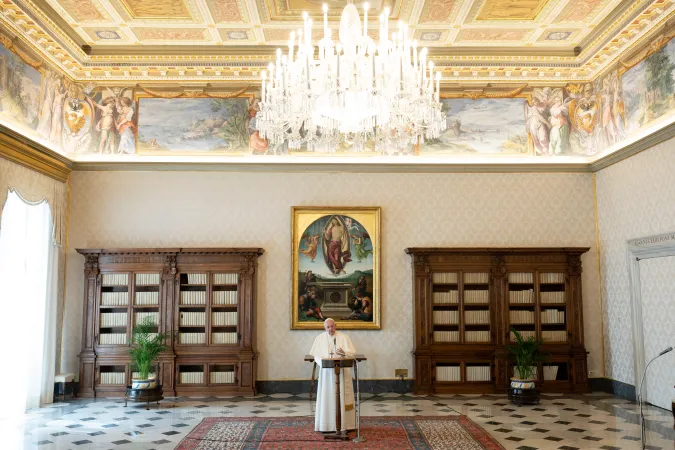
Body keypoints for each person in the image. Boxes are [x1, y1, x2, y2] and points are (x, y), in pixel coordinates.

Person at [309, 319, 356, 433]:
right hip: (327, 373)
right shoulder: (320, 338)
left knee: (344, 396)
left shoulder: (344, 337)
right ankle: (327, 425)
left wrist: (344, 353)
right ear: (324, 328)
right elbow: (316, 356)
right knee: (327, 396)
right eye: (328, 327)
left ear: (335, 326)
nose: (330, 329)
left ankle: (346, 425)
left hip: (342, 371)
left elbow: (352, 353)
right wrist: (325, 363)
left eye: (332, 326)